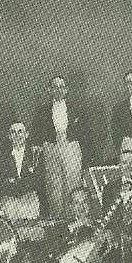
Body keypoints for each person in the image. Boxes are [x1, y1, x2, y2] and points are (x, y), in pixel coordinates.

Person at [32, 75, 89, 217]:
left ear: (66, 90)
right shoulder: (42, 111)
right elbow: (36, 132)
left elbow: (85, 132)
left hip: (71, 147)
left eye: (61, 87)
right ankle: (57, 221)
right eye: (55, 87)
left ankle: (75, 219)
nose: (58, 90)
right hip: (51, 147)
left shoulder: (77, 109)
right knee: (54, 187)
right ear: (50, 90)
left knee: (73, 184)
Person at [0, 120, 44, 221]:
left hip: (29, 197)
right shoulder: (2, 157)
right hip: (10, 198)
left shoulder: (35, 154)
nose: (17, 135)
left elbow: (38, 181)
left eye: (20, 131)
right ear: (9, 136)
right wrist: (15, 188)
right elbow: (0, 182)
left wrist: (16, 183)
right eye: (13, 132)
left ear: (26, 134)